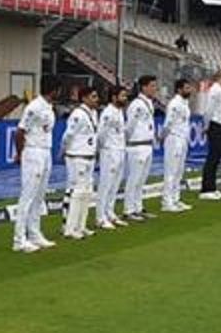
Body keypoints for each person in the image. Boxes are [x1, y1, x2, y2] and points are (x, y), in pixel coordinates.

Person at [13, 77, 61, 252]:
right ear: (53, 90)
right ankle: (19, 239)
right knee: (28, 195)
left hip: (45, 150)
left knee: (39, 195)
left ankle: (34, 233)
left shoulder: (48, 107)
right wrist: (19, 153)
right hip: (33, 150)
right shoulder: (34, 107)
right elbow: (19, 132)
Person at [61, 86, 100, 239]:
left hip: (89, 155)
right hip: (77, 156)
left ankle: (81, 225)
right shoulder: (78, 114)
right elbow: (68, 135)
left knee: (87, 191)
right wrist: (63, 150)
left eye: (96, 96)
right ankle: (70, 228)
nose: (96, 100)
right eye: (93, 96)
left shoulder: (94, 113)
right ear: (84, 98)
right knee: (76, 192)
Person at [123, 76, 159, 221]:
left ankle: (138, 207)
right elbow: (130, 125)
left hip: (147, 144)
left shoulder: (148, 103)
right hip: (136, 145)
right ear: (144, 87)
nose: (154, 89)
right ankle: (128, 209)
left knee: (142, 179)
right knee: (134, 179)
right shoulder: (136, 104)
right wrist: (128, 141)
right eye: (152, 86)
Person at [96, 85, 129, 229]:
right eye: (122, 96)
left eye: (125, 96)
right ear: (114, 97)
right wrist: (103, 148)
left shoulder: (120, 112)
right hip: (109, 150)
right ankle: (100, 216)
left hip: (120, 150)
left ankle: (110, 211)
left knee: (115, 183)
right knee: (106, 184)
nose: (125, 98)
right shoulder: (108, 113)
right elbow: (101, 133)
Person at [160, 78, 193, 212]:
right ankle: (167, 201)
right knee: (171, 170)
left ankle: (175, 198)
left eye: (189, 88)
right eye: (186, 88)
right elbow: (168, 122)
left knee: (179, 171)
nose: (189, 90)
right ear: (179, 90)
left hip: (183, 138)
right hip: (174, 138)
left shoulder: (185, 103)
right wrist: (163, 136)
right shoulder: (174, 103)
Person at [199, 71, 221, 200]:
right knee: (213, 157)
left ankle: (212, 187)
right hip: (216, 124)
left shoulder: (220, 90)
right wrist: (206, 126)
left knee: (217, 157)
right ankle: (206, 188)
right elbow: (209, 109)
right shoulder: (215, 90)